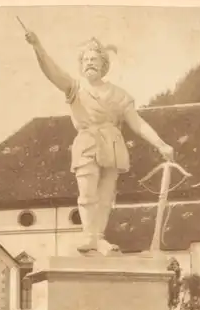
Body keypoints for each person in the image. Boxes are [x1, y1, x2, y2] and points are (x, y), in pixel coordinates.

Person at [25, 32, 174, 255]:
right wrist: (37, 46)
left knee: (105, 197)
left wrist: (161, 144)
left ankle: (99, 237)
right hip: (86, 143)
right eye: (85, 60)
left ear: (104, 64)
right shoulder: (75, 88)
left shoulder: (119, 95)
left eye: (94, 59)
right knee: (86, 193)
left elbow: (138, 123)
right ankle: (88, 236)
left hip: (113, 146)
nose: (89, 63)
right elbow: (52, 72)